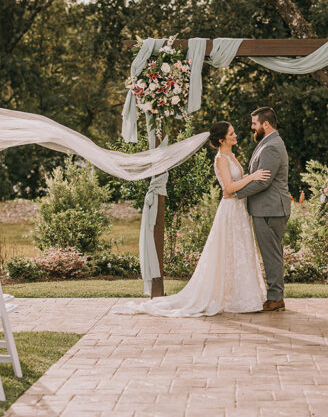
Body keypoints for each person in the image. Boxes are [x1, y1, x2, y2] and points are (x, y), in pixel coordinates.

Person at [111, 120, 270, 317]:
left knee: (239, 251)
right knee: (228, 250)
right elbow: (228, 188)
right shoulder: (221, 159)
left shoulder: (231, 156)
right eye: (231, 133)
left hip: (239, 209)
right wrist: (252, 177)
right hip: (230, 211)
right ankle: (230, 298)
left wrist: (247, 180)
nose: (235, 135)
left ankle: (240, 296)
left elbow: (236, 185)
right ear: (222, 140)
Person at [228, 107, 291, 312]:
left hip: (270, 209)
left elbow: (263, 181)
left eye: (255, 123)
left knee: (271, 255)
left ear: (266, 124)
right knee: (272, 253)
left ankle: (275, 298)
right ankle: (275, 295)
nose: (252, 127)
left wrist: (235, 194)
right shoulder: (268, 143)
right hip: (267, 208)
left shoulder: (272, 146)